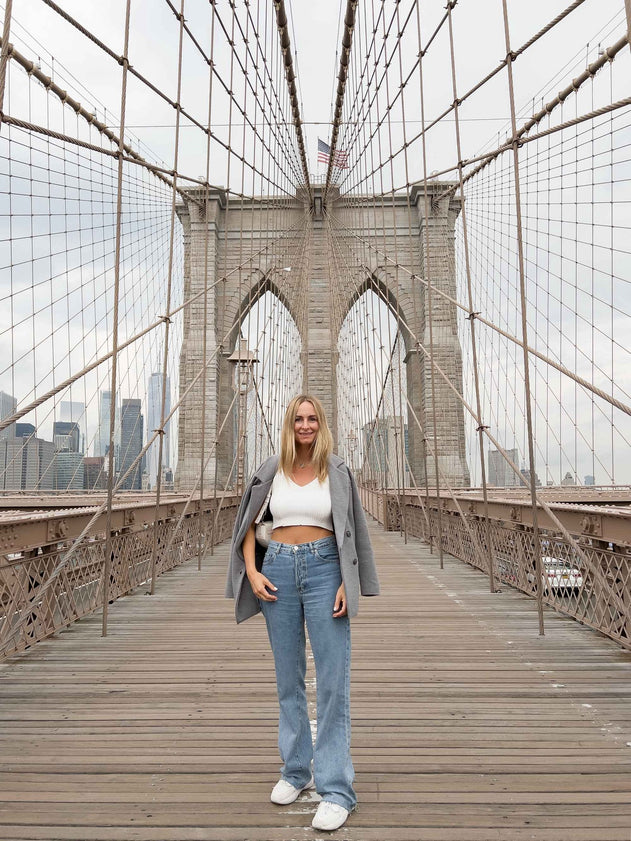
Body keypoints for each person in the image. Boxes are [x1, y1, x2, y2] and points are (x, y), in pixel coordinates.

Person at [226, 394, 380, 832]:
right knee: (287, 678)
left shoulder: (338, 471)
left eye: (313, 418)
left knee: (333, 681)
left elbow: (353, 534)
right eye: (299, 418)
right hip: (277, 572)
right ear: (290, 424)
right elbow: (246, 528)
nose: (306, 425)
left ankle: (336, 789)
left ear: (322, 423)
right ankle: (296, 771)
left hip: (324, 569)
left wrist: (347, 585)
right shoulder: (270, 471)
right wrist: (253, 574)